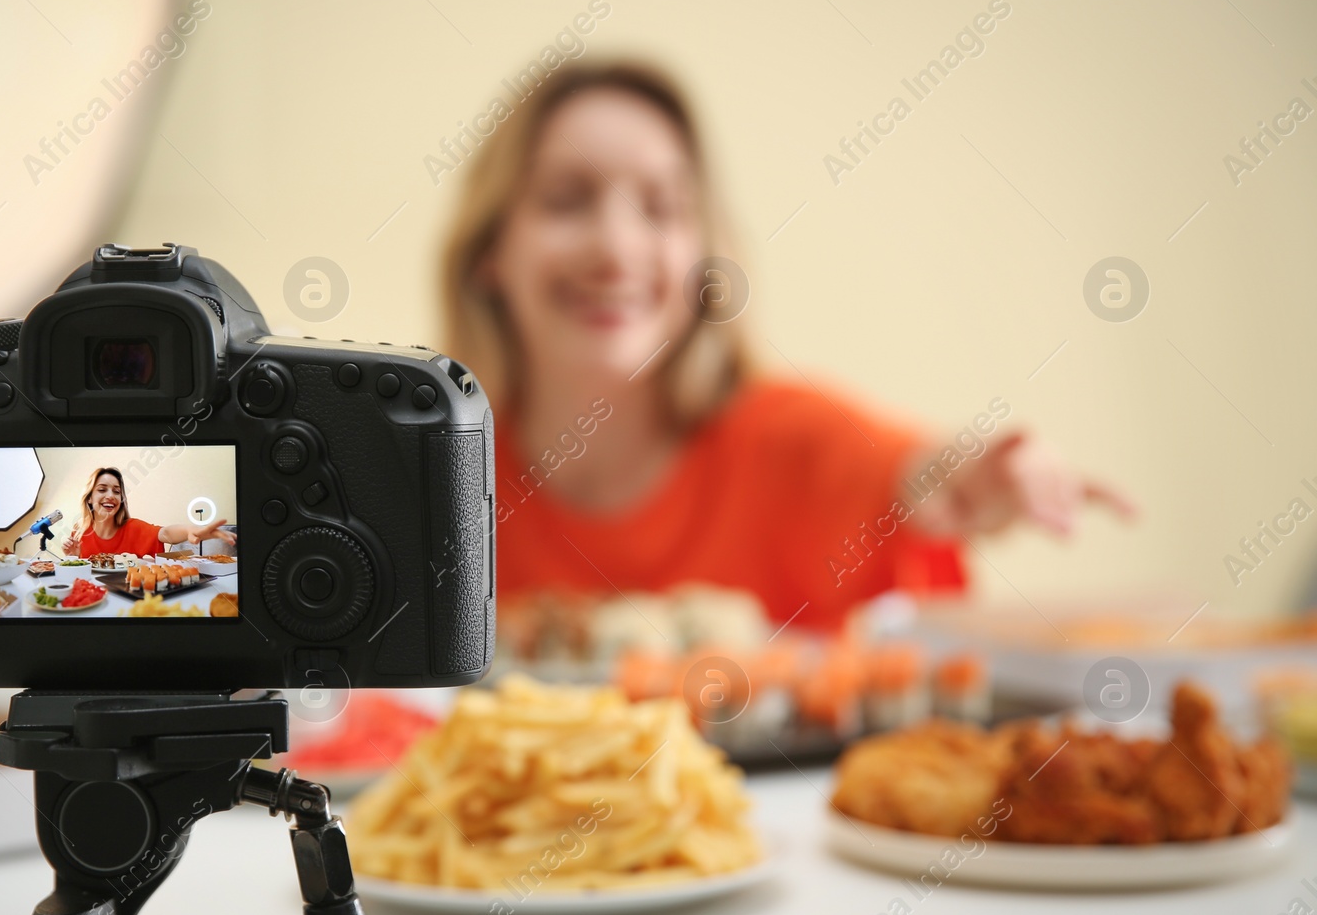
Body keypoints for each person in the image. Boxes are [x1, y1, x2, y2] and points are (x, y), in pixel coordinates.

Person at [439, 61, 1131, 630]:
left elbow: (918, 475)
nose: (618, 248)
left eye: (662, 208)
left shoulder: (795, 442)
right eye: (566, 198)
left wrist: (977, 473)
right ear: (488, 252)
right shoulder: (431, 483)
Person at [60, 467, 235, 558]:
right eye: (102, 489)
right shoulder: (79, 532)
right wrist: (73, 558)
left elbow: (165, 533)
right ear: (89, 498)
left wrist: (191, 530)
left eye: (116, 491)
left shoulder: (133, 527)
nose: (110, 496)